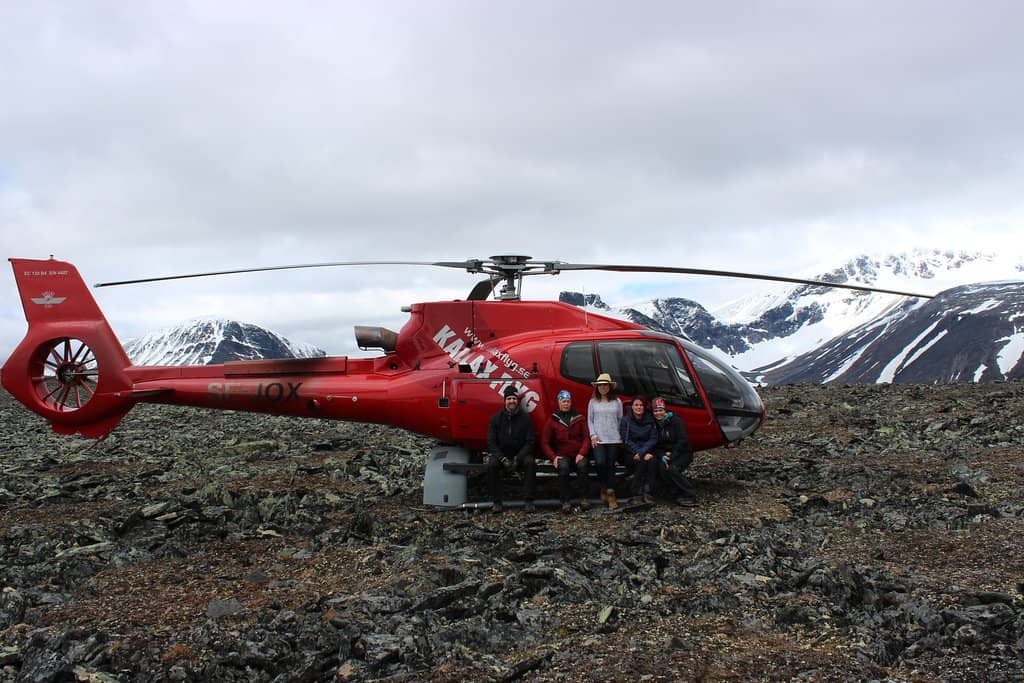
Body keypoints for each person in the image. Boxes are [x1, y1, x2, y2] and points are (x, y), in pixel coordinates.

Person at [486, 384, 537, 513]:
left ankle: (528, 501)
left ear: (517, 400)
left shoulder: (526, 418)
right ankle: (496, 501)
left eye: (514, 399)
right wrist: (502, 458)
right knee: (492, 465)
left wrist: (518, 458)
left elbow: (530, 441)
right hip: (502, 454)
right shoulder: (496, 418)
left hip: (520, 453)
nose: (511, 401)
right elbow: (491, 442)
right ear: (505, 401)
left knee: (530, 463)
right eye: (509, 399)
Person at [541, 389, 592, 513]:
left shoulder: (579, 418)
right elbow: (545, 442)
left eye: (568, 401)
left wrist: (582, 453)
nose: (566, 404)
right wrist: (553, 457)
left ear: (571, 403)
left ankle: (584, 498)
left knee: (583, 466)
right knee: (563, 468)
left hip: (578, 454)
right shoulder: (553, 420)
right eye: (563, 401)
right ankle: (565, 501)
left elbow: (586, 438)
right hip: (562, 454)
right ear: (559, 403)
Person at [651, 397, 699, 506]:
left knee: (673, 469)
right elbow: (657, 445)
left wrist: (672, 457)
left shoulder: (676, 421)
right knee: (661, 468)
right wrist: (662, 456)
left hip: (682, 453)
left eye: (660, 410)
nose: (658, 413)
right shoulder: (656, 425)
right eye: (656, 411)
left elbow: (683, 441)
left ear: (665, 410)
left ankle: (690, 494)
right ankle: (674, 493)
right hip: (667, 454)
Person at [587, 373, 623, 510]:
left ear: (610, 387)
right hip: (599, 440)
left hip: (614, 439)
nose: (602, 387)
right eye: (600, 385)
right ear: (597, 387)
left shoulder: (617, 401)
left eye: (605, 385)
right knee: (600, 463)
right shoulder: (593, 402)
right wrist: (592, 436)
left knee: (611, 465)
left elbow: (620, 419)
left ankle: (611, 493)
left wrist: (618, 435)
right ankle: (603, 485)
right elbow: (589, 420)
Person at [619, 394, 658, 504]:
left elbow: (653, 438)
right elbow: (626, 440)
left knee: (652, 461)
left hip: (646, 450)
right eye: (636, 405)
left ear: (644, 407)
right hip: (630, 451)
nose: (639, 407)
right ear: (632, 406)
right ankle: (636, 492)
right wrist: (638, 452)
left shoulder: (650, 420)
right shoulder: (626, 420)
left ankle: (648, 492)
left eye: (641, 405)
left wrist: (642, 452)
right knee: (642, 462)